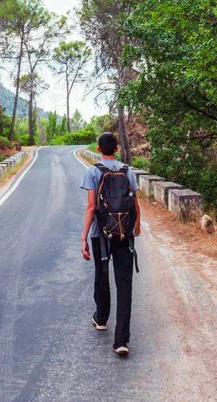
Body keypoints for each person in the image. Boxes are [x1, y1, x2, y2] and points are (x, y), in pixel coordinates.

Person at [80, 132, 141, 356]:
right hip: (124, 233)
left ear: (98, 149)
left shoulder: (92, 172)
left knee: (102, 274)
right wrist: (136, 227)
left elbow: (90, 207)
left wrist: (83, 237)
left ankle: (101, 317)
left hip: (101, 233)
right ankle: (122, 340)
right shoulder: (128, 171)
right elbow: (135, 201)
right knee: (124, 284)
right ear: (117, 149)